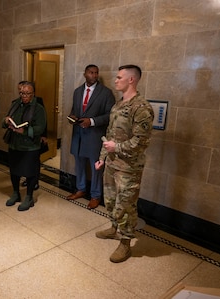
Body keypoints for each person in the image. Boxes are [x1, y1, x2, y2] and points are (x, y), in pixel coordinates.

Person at [94, 65, 154, 263]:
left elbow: (140, 142)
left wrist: (116, 148)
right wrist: (102, 157)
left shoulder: (142, 107)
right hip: (112, 164)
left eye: (119, 77)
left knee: (126, 206)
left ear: (131, 80)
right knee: (110, 201)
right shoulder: (118, 104)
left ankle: (125, 243)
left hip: (129, 168)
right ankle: (114, 228)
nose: (115, 80)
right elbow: (109, 135)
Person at [66, 65, 115, 210]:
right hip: (78, 136)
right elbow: (74, 110)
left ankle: (95, 196)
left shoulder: (106, 93)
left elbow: (110, 115)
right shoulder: (77, 92)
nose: (94, 75)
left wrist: (92, 121)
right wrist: (72, 117)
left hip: (94, 136)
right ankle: (80, 189)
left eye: (96, 73)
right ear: (85, 74)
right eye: (91, 72)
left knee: (96, 168)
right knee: (79, 164)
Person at [3, 81, 46, 211]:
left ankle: (29, 197)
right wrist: (6, 121)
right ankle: (16, 193)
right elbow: (6, 119)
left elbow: (40, 128)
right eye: (22, 93)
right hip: (14, 144)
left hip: (30, 147)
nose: (24, 96)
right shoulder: (15, 104)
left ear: (33, 93)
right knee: (14, 171)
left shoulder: (38, 108)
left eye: (28, 93)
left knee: (30, 172)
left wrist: (25, 131)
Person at [18, 81, 47, 190]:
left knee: (34, 161)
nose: (22, 93)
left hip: (35, 136)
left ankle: (35, 180)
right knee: (25, 161)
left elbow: (43, 121)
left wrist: (44, 135)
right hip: (22, 138)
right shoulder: (17, 103)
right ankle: (28, 178)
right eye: (20, 91)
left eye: (25, 91)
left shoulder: (38, 102)